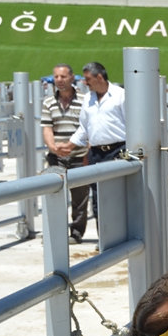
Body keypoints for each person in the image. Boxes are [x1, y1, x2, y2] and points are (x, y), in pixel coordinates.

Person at [68, 62, 126, 222]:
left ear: (99, 77)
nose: (85, 82)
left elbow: (131, 123)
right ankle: (104, 241)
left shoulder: (120, 95)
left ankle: (120, 238)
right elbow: (84, 127)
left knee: (117, 195)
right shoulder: (87, 98)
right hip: (96, 153)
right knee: (98, 198)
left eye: (88, 79)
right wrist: (69, 145)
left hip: (118, 151)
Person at [41, 64, 90, 243]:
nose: (59, 80)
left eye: (63, 77)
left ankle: (76, 233)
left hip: (79, 155)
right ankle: (55, 234)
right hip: (57, 156)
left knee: (80, 198)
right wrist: (53, 147)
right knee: (54, 195)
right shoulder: (48, 102)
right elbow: (47, 127)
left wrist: (86, 153)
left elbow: (89, 128)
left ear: (72, 78)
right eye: (56, 77)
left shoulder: (85, 100)